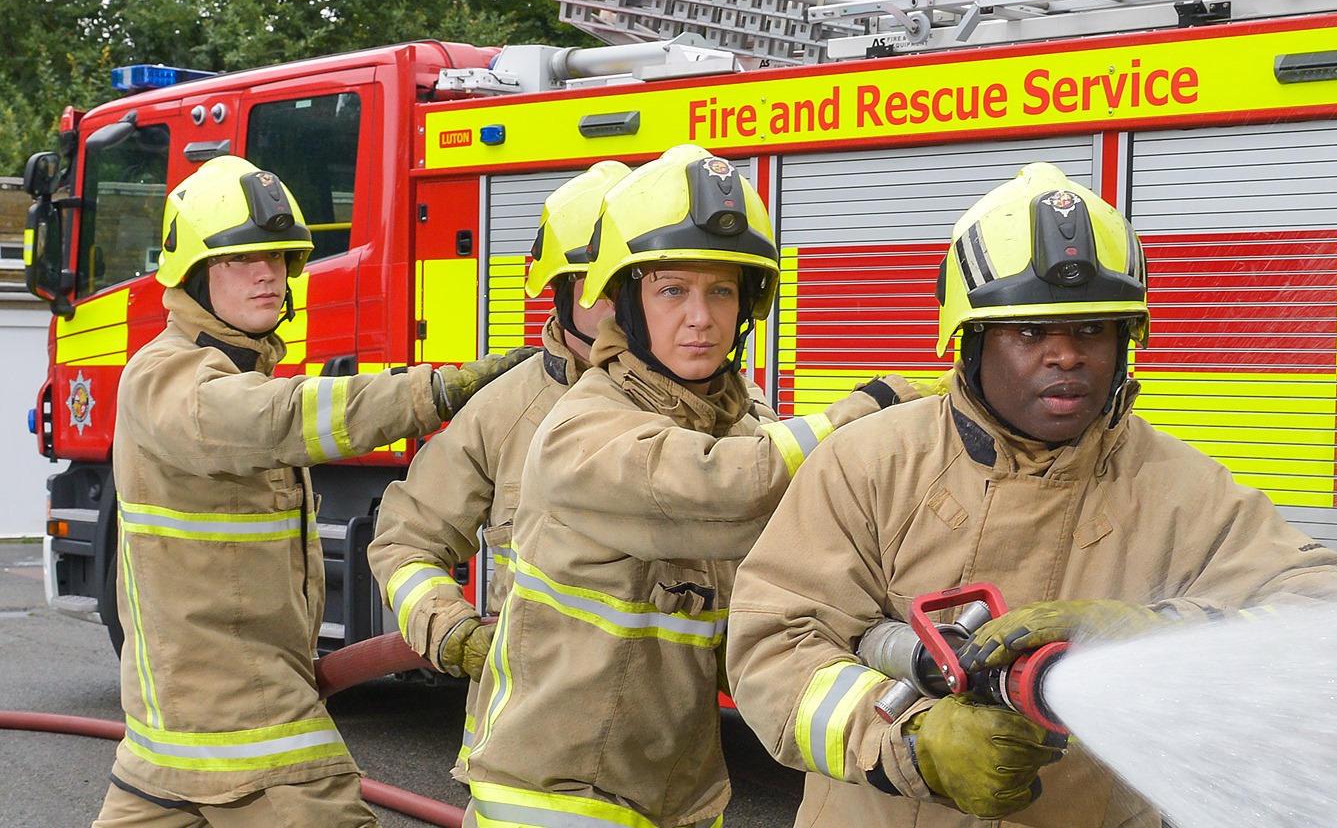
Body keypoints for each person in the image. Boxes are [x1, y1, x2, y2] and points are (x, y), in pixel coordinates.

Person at [725, 161, 1337, 827]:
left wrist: (1161, 632)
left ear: (1125, 341)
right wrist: (914, 744)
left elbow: (1325, 619)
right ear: (970, 342)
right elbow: (774, 650)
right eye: (1031, 332)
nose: (1067, 355)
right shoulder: (868, 462)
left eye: (1091, 329)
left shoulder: (1181, 489)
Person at [460, 144, 927, 828]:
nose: (701, 318)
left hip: (678, 797)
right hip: (558, 799)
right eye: (672, 290)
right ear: (627, 303)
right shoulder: (579, 431)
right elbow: (733, 485)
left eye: (721, 290)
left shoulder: (741, 422)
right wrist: (870, 411)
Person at [93, 155, 530, 827]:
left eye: (278, 257)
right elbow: (277, 417)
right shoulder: (165, 378)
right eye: (241, 259)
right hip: (248, 725)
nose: (267, 273)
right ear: (192, 275)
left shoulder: (231, 369)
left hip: (174, 740)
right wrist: (437, 389)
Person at [367, 158, 632, 780]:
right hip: (527, 756)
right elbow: (406, 536)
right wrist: (448, 625)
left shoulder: (720, 414)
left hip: (674, 768)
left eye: (635, 286)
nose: (617, 311)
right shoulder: (506, 409)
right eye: (597, 288)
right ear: (562, 294)